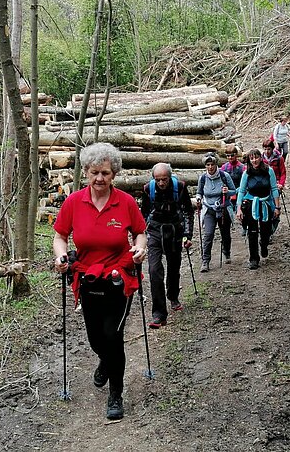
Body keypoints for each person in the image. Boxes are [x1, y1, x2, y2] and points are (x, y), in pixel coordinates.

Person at [53, 142, 147, 421]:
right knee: (96, 338)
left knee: (112, 335)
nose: (100, 179)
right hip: (87, 278)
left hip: (120, 277)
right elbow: (60, 235)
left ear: (114, 174)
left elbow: (141, 233)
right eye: (95, 172)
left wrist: (139, 249)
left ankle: (116, 394)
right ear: (86, 172)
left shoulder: (126, 202)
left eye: (105, 173)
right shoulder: (73, 202)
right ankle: (105, 361)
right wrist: (61, 258)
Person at [141, 163, 194, 329]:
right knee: (154, 270)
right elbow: (143, 213)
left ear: (170, 177)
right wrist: (140, 235)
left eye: (164, 179)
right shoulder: (147, 189)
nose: (161, 183)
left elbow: (187, 211)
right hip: (155, 231)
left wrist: (187, 235)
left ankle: (173, 296)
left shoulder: (180, 187)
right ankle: (159, 314)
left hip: (174, 231)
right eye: (158, 180)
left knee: (173, 267)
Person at [236, 148, 280, 270]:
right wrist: (239, 209)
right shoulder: (247, 173)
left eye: (256, 157)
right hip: (251, 204)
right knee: (252, 231)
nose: (254, 160)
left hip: (266, 203)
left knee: (266, 230)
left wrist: (277, 207)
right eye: (252, 158)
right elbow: (241, 191)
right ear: (249, 160)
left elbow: (274, 189)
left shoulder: (268, 171)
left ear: (261, 158)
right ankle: (254, 258)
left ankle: (264, 244)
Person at [196, 152, 236, 272]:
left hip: (223, 208)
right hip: (209, 209)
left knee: (225, 234)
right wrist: (198, 198)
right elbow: (199, 192)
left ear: (216, 164)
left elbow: (234, 191)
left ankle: (226, 251)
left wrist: (227, 191)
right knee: (208, 235)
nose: (210, 167)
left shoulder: (224, 176)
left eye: (212, 164)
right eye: (207, 165)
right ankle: (205, 261)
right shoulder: (203, 178)